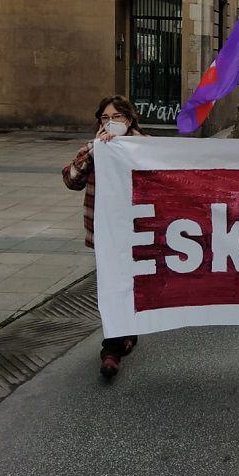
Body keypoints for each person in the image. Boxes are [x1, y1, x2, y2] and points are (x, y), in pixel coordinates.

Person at [62, 95, 143, 380]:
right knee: (112, 286)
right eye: (105, 118)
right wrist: (94, 153)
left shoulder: (145, 146)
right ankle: (111, 349)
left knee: (131, 284)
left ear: (129, 120)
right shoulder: (95, 148)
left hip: (137, 231)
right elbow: (71, 179)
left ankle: (125, 335)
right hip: (107, 232)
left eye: (117, 117)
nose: (111, 123)